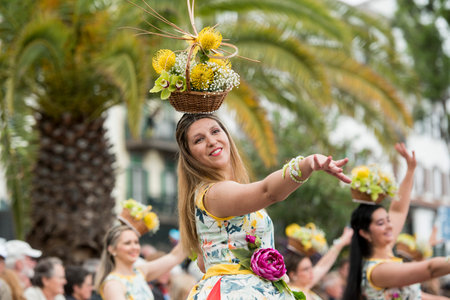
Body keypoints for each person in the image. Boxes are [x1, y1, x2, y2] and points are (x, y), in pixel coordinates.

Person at [174, 113, 352, 299]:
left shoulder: (212, 194)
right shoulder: (214, 193)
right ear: (190, 155)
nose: (211, 141)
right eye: (199, 140)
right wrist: (306, 164)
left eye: (215, 131)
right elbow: (268, 192)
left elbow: (205, 263)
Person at [343, 143, 450, 300]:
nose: (389, 225)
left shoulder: (387, 256)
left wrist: (410, 170)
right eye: (381, 223)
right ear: (365, 233)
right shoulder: (377, 271)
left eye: (388, 220)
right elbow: (430, 269)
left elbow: (398, 210)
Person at [94, 224, 186, 300]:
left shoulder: (140, 272)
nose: (134, 247)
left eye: (136, 242)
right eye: (127, 243)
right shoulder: (113, 284)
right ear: (112, 249)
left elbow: (175, 256)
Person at [285, 227, 353, 300]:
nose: (311, 271)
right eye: (305, 269)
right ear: (293, 275)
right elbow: (322, 266)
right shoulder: (291, 292)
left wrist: (342, 241)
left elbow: (323, 265)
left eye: (311, 267)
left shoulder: (304, 288)